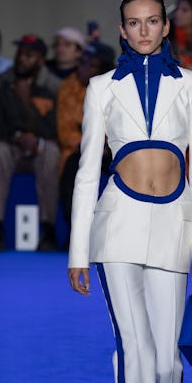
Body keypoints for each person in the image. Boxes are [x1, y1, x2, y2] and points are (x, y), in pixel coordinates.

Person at [68, 0, 192, 383]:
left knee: (169, 365)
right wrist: (77, 251)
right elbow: (88, 170)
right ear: (123, 29)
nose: (145, 30)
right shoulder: (101, 87)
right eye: (134, 22)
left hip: (175, 224)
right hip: (117, 227)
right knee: (136, 351)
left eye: (153, 21)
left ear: (166, 26)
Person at [0, 34, 60, 251]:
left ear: (40, 60)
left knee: (52, 152)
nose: (21, 59)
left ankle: (49, 229)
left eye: (28, 55)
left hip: (41, 147)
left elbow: (54, 129)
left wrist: (26, 100)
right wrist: (18, 137)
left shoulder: (52, 86)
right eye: (19, 53)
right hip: (12, 146)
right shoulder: (1, 83)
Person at [57, 42, 115, 241]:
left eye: (90, 64)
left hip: (113, 149)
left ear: (103, 69)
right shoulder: (69, 86)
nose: (82, 68)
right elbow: (65, 128)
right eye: (81, 62)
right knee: (72, 167)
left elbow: (122, 123)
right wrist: (91, 145)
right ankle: (76, 232)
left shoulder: (117, 86)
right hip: (81, 148)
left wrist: (107, 145)